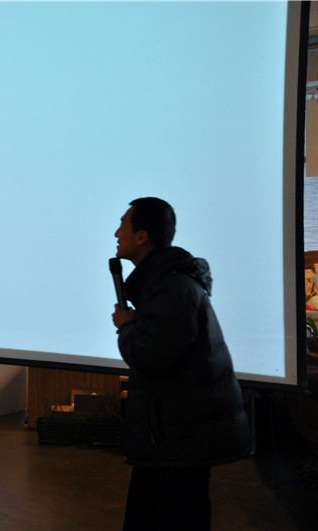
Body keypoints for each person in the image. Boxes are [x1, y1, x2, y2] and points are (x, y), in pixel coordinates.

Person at [111, 198, 251, 531]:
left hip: (182, 440)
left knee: (176, 518)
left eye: (122, 225)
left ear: (142, 236)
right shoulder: (163, 282)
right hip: (173, 435)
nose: (116, 233)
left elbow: (150, 356)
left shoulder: (171, 287)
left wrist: (126, 327)